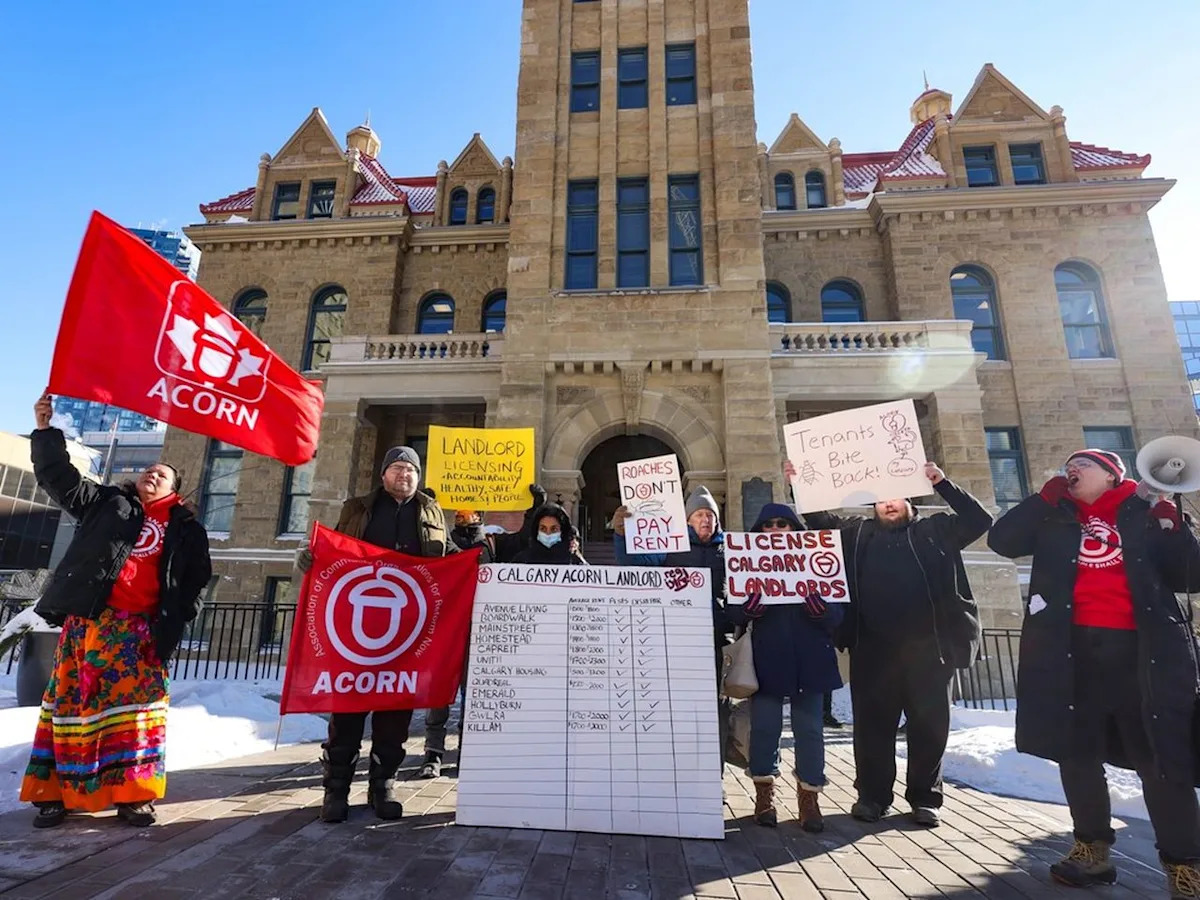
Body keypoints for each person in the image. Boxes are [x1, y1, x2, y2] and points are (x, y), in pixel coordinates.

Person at [989, 449, 1200, 893]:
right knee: (1077, 753)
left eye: (1083, 464)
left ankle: (1184, 863)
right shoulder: (1055, 514)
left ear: (1111, 474)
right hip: (1073, 652)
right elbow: (1002, 542)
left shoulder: (1145, 510)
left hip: (1143, 655)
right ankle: (1092, 851)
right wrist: (1040, 500)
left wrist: (1171, 521)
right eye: (1068, 464)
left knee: (1160, 759)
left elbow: (1190, 575)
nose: (1072, 468)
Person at [20, 391, 211, 829]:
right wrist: (46, 431)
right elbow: (58, 476)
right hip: (89, 626)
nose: (152, 474)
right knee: (71, 707)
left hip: (141, 635)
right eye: (149, 470)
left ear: (175, 490)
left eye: (162, 474)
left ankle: (133, 796)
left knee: (138, 717)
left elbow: (197, 579)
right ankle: (55, 795)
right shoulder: (108, 504)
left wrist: (180, 618)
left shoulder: (186, 529)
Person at [797, 460, 990, 828]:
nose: (888, 504)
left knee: (929, 727)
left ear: (910, 500)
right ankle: (872, 796)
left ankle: (924, 798)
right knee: (872, 728)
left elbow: (980, 520)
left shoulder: (938, 530)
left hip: (930, 650)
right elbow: (819, 523)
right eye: (881, 500)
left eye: (895, 498)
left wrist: (943, 483)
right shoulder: (857, 534)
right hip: (873, 648)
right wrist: (800, 485)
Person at [298, 445, 455, 822]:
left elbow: (446, 554)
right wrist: (310, 557)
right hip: (357, 628)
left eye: (411, 470)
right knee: (348, 711)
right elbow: (335, 549)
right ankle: (335, 790)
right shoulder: (357, 508)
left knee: (395, 713)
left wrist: (474, 552)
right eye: (398, 467)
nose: (404, 475)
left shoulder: (430, 511)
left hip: (406, 630)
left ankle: (382, 786)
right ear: (384, 474)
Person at [727, 503, 843, 833]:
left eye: (783, 523)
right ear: (760, 530)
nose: (776, 529)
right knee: (764, 730)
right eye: (768, 524)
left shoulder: (818, 561)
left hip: (810, 659)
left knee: (810, 732)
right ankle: (764, 795)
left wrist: (821, 610)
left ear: (794, 528)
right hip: (768, 658)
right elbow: (735, 613)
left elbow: (837, 615)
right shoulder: (748, 564)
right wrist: (749, 609)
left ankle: (810, 797)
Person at [613, 485, 732, 765]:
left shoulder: (730, 550)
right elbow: (635, 565)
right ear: (687, 520)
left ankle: (713, 775)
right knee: (674, 709)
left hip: (715, 643)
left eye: (710, 515)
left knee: (715, 713)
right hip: (675, 644)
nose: (705, 520)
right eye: (699, 514)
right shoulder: (668, 546)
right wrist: (621, 534)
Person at [512, 503, 588, 565]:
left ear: (562, 531)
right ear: (536, 530)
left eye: (554, 529)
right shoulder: (521, 560)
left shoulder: (574, 561)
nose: (548, 533)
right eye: (543, 529)